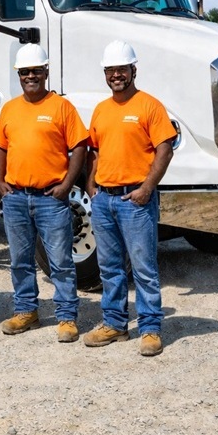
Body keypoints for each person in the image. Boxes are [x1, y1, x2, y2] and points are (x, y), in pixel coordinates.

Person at [84, 40, 176, 357]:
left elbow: (165, 148)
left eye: (122, 69)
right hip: (104, 201)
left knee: (144, 268)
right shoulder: (101, 110)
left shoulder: (149, 106)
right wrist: (91, 184)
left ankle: (150, 328)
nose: (116, 75)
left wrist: (148, 186)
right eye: (111, 70)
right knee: (109, 268)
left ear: (133, 70)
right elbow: (95, 150)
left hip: (135, 200)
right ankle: (115, 324)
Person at [0, 44, 89, 341]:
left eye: (36, 71)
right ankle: (26, 311)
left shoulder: (61, 107)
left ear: (46, 72)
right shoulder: (10, 108)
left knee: (60, 262)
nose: (30, 76)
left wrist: (66, 185)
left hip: (51, 198)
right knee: (20, 260)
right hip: (17, 197)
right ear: (18, 75)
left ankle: (66, 317)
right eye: (25, 72)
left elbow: (80, 146)